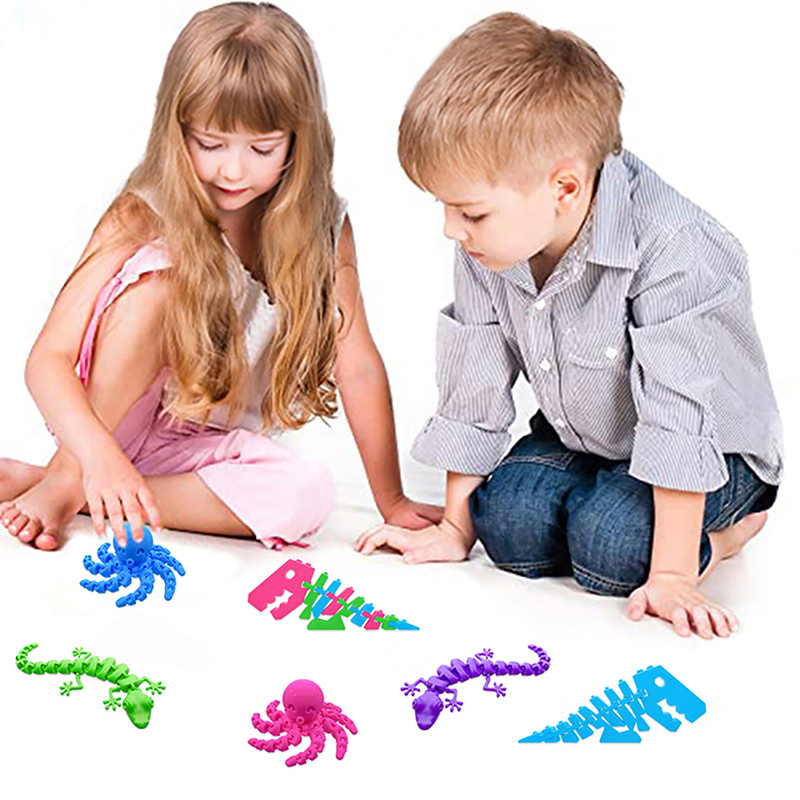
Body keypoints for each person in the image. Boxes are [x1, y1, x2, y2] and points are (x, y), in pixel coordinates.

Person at [356, 12, 782, 639]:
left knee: (612, 549)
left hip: (710, 448)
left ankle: (729, 534)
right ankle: (595, 497)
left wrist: (672, 575)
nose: (451, 229)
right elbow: (474, 383)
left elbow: (678, 413)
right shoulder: (490, 244)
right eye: (445, 207)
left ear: (564, 188)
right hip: (589, 434)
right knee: (506, 527)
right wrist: (454, 528)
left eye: (470, 211)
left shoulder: (676, 247)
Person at [0, 1, 440, 552]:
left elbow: (358, 367)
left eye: (262, 148)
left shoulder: (324, 227)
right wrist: (95, 455)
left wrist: (392, 500)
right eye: (209, 144)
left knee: (306, 496)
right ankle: (71, 475)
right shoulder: (145, 210)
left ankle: (84, 490)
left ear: (299, 140)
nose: (233, 170)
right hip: (109, 425)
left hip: (204, 451)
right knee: (158, 285)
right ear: (177, 129)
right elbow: (47, 360)